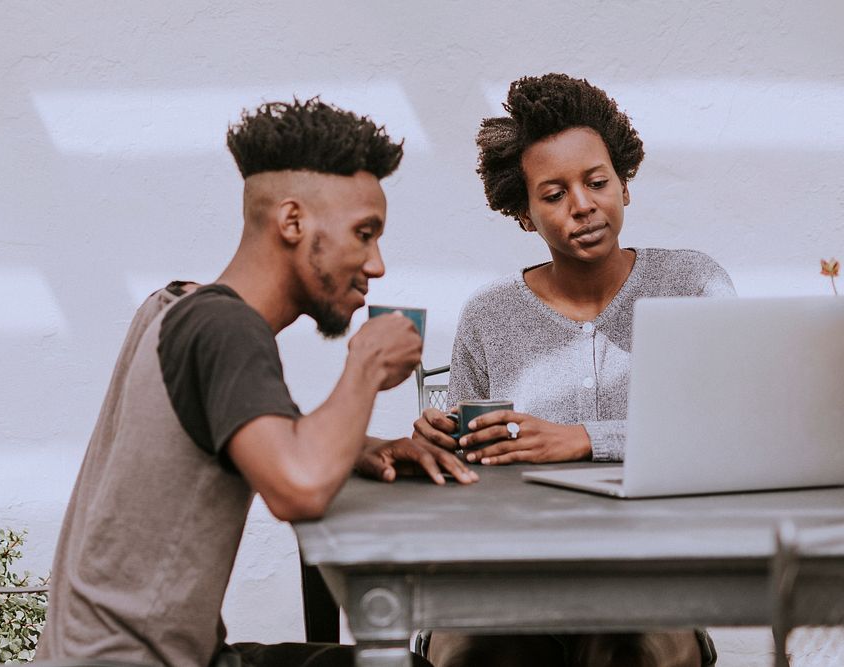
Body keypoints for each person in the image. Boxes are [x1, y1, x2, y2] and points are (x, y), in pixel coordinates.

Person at [36, 98, 477, 667]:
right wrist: (364, 363)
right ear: (292, 222)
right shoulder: (227, 328)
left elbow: (249, 434)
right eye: (364, 234)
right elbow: (297, 488)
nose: (377, 264)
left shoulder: (176, 304)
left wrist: (362, 448)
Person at [412, 74, 733, 666]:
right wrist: (440, 443)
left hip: (652, 579)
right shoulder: (489, 313)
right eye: (553, 194)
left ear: (624, 187)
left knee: (631, 654)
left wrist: (583, 440)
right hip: (509, 577)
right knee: (471, 656)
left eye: (596, 182)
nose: (582, 205)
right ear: (525, 213)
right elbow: (467, 467)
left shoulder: (692, 284)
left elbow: (729, 433)